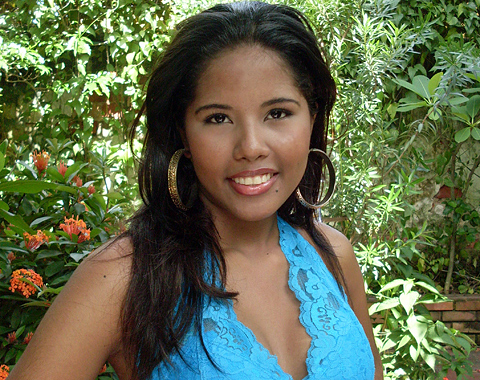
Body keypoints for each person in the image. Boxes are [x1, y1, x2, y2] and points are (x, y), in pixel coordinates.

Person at [9, 2, 383, 380]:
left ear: (313, 117)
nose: (251, 146)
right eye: (218, 119)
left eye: (278, 113)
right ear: (183, 133)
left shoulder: (333, 255)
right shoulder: (126, 277)